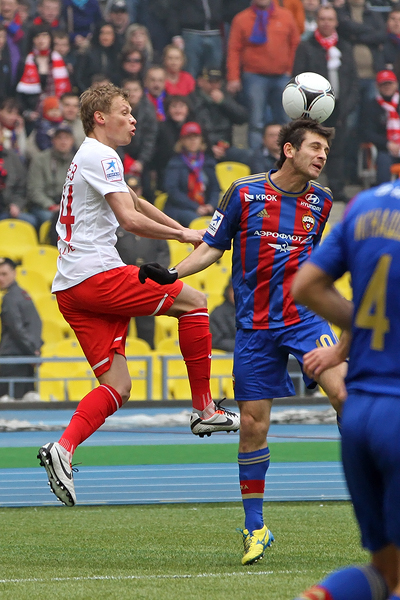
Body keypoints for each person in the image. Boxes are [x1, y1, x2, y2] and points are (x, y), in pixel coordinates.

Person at [139, 118, 347, 566]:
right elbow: (213, 246)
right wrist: (173, 273)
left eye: (326, 150)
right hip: (255, 326)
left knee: (346, 394)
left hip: (305, 318)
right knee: (253, 426)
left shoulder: (322, 200)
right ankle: (256, 528)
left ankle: (376, 487)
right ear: (288, 149)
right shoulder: (244, 191)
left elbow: (313, 257)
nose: (322, 156)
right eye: (315, 147)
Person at [37, 83, 239, 508]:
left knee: (118, 385)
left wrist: (184, 232)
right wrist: (181, 235)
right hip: (97, 276)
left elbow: (137, 201)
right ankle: (205, 410)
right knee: (196, 302)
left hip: (71, 288)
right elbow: (129, 219)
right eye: (125, 112)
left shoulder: (89, 156)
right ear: (100, 118)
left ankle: (63, 448)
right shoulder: (101, 154)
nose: (133, 120)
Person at [290, 182, 400, 600]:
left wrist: (358, 332)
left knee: (386, 570)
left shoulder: (364, 206)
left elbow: (306, 286)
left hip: (360, 412)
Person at [293, 4, 359, 202]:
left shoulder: (345, 47)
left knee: (337, 149)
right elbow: (298, 78)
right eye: (322, 19)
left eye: (330, 19)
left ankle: (336, 189)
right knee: (311, 147)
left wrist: (348, 106)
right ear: (317, 21)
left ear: (336, 22)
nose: (326, 23)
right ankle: (305, 188)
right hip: (314, 107)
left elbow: (352, 80)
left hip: (340, 106)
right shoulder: (306, 46)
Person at [226, 0, 300, 150]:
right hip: (254, 76)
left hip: (282, 76)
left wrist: (290, 70)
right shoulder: (241, 19)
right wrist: (233, 77)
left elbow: (295, 44)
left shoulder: (286, 16)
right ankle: (256, 158)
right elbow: (233, 49)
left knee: (286, 120)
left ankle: (288, 156)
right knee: (256, 122)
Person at [0, 257, 42, 400]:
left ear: (14, 273)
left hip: (12, 359)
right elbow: (36, 324)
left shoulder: (10, 298)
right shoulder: (23, 295)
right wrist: (34, 350)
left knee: (10, 404)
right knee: (25, 401)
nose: (1, 278)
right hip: (24, 357)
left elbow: (16, 329)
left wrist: (32, 351)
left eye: (4, 274)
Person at [164, 121, 220, 227]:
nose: (193, 140)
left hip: (205, 207)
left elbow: (215, 188)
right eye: (189, 137)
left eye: (196, 137)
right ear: (182, 141)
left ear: (201, 140)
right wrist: (195, 207)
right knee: (199, 222)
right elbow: (173, 191)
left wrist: (211, 205)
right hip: (181, 208)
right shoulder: (175, 163)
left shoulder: (208, 162)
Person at [192, 67, 250, 165]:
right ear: (200, 82)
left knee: (249, 156)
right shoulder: (193, 100)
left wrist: (224, 102)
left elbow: (243, 118)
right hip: (202, 148)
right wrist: (209, 148)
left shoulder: (225, 97)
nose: (214, 85)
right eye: (210, 82)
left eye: (217, 82)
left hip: (225, 146)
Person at [27, 122, 75, 228]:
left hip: (69, 206)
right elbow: (35, 190)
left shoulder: (77, 161)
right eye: (59, 138)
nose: (63, 141)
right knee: (52, 218)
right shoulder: (40, 160)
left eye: (67, 138)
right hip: (44, 206)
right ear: (53, 140)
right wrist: (51, 205)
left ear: (72, 141)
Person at [166, 0, 224, 78]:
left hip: (215, 33)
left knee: (214, 74)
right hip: (191, 32)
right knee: (190, 72)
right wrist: (176, 34)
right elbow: (173, 9)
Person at [361, 69, 400, 185]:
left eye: (390, 83)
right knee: (383, 160)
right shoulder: (371, 106)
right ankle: (384, 192)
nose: (387, 87)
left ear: (396, 84)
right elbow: (368, 132)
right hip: (384, 149)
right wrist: (388, 144)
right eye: (383, 84)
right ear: (377, 86)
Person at [0, 121, 33, 225]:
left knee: (30, 221)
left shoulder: (13, 157)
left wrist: (16, 204)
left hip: (7, 208)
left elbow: (22, 187)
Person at [209, 278, 236, 353]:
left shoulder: (254, 311)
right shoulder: (218, 314)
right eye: (234, 290)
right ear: (228, 291)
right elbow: (216, 341)